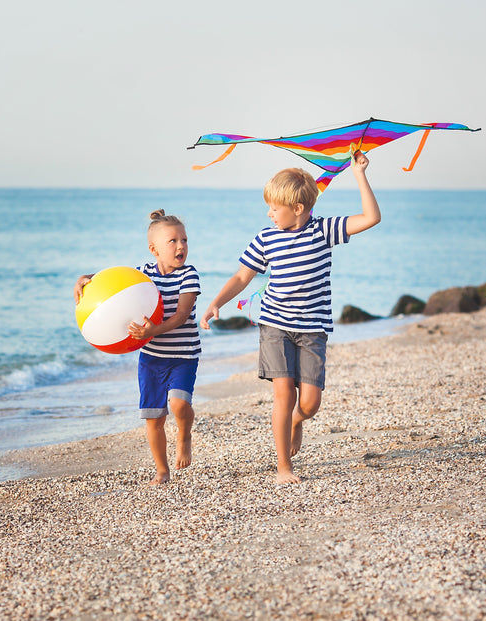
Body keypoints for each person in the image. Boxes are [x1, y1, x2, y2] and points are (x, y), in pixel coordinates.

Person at [200, 152, 380, 484]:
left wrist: (359, 174)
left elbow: (371, 217)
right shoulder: (265, 238)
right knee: (284, 392)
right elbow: (242, 278)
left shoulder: (325, 230)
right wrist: (216, 303)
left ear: (297, 209)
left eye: (274, 208)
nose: (269, 214)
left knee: (309, 404)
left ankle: (297, 422)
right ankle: (284, 468)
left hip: (313, 330)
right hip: (275, 326)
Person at [74, 209, 200, 485]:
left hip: (183, 355)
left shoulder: (189, 275)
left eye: (185, 240)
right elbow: (114, 283)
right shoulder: (142, 274)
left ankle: (184, 435)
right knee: (153, 417)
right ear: (154, 249)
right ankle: (162, 470)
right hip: (152, 358)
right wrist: (85, 279)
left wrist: (153, 329)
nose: (181, 246)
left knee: (179, 405)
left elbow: (180, 316)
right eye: (173, 241)